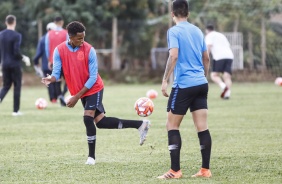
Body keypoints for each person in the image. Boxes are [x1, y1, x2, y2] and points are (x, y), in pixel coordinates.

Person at [41, 21, 150, 165]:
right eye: (79, 38)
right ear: (70, 37)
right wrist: (51, 79)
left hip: (94, 88)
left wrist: (76, 97)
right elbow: (56, 72)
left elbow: (93, 77)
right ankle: (141, 124)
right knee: (101, 122)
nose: (82, 41)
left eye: (83, 37)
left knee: (87, 118)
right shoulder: (59, 50)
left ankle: (91, 157)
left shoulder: (89, 50)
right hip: (81, 91)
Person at [157, 0, 212, 179]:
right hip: (201, 83)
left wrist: (165, 80)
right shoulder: (197, 30)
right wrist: (203, 77)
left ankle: (175, 171)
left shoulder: (173, 31)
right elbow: (207, 58)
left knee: (171, 125)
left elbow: (173, 55)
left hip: (184, 85)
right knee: (202, 127)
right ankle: (205, 170)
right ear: (188, 13)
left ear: (172, 13)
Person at [0, 15, 30, 116]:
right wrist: (24, 58)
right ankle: (15, 111)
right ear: (15, 22)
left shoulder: (1, 35)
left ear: (6, 22)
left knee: (6, 86)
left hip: (4, 64)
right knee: (17, 86)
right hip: (15, 65)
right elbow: (16, 52)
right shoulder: (17, 35)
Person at [205, 24, 234, 99]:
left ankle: (224, 87)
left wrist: (205, 58)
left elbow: (208, 47)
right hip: (229, 56)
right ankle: (227, 94)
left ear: (207, 30)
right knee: (226, 76)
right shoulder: (221, 35)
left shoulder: (209, 36)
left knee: (214, 75)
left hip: (219, 57)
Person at [45, 16, 68, 106]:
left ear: (54, 23)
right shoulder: (66, 33)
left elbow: (47, 48)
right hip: (65, 60)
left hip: (54, 61)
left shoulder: (49, 34)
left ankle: (60, 97)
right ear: (62, 22)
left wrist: (49, 60)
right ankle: (62, 95)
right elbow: (68, 46)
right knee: (68, 81)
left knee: (57, 80)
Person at [33, 22, 57, 102]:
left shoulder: (43, 39)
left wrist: (35, 61)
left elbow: (39, 53)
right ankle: (57, 97)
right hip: (56, 64)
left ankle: (52, 98)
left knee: (48, 81)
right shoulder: (57, 38)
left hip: (45, 64)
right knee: (56, 80)